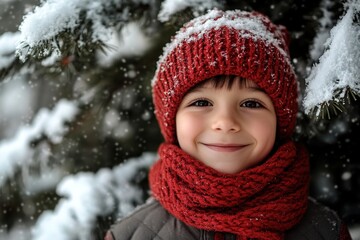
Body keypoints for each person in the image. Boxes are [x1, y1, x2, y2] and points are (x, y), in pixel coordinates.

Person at [104, 9, 352, 240]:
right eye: (201, 102)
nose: (225, 122)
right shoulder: (130, 235)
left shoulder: (326, 231)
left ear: (280, 120)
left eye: (252, 104)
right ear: (170, 119)